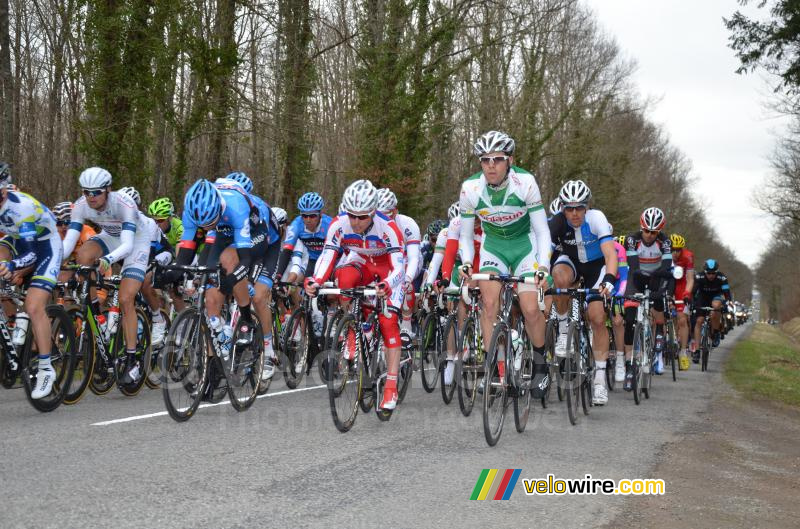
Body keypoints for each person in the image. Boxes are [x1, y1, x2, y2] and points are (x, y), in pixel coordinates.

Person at [458, 131, 552, 398]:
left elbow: (543, 232)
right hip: (494, 247)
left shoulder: (525, 183)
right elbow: (465, 235)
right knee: (489, 304)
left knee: (531, 308)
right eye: (485, 159)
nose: (490, 165)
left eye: (497, 159)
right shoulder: (470, 189)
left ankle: (540, 363)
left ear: (509, 160)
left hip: (525, 245)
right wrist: (466, 262)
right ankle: (493, 369)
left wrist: (543, 267)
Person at [304, 179, 406, 411]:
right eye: (352, 215)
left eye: (362, 217)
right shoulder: (339, 225)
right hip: (360, 261)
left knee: (388, 322)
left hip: (386, 268)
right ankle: (353, 330)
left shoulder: (388, 227)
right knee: (344, 277)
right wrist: (316, 280)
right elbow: (329, 255)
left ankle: (391, 385)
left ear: (373, 212)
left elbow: (399, 267)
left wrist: (388, 284)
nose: (356, 222)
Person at [63, 167, 153, 385]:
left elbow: (128, 244)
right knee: (83, 255)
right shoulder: (81, 205)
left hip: (135, 242)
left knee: (125, 299)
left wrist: (107, 260)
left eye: (96, 192)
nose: (91, 197)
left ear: (108, 190)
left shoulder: (124, 204)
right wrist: (57, 259)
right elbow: (68, 243)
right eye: (86, 192)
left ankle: (132, 360)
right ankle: (97, 314)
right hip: (111, 237)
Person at [548, 180, 618, 404]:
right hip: (572, 264)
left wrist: (609, 279)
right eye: (569, 208)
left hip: (596, 268)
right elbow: (544, 253)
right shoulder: (557, 223)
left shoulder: (597, 219)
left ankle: (599, 381)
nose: (575, 213)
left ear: (587, 207)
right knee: (557, 275)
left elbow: (610, 254)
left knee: (598, 318)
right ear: (562, 208)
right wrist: (537, 272)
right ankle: (563, 327)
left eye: (579, 207)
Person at [0, 165, 63, 399]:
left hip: (45, 245)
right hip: (16, 239)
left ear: (4, 191)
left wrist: (13, 266)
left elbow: (32, 255)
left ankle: (46, 367)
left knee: (34, 305)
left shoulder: (21, 208)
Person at [622, 207, 672, 389]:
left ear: (659, 231)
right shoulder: (632, 240)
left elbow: (667, 266)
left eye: (654, 232)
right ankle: (629, 367)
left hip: (656, 277)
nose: (649, 235)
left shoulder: (665, 242)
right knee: (629, 320)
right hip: (635, 278)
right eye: (646, 230)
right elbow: (633, 266)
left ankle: (657, 342)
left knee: (659, 309)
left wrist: (660, 289)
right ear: (641, 227)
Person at [376, 187, 421, 339]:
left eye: (384, 215)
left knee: (404, 281)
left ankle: (407, 323)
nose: (380, 219)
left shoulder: (408, 224)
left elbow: (414, 257)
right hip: (387, 259)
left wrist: (408, 278)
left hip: (408, 258)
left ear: (394, 211)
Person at [691, 259, 731, 360]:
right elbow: (693, 292)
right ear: (705, 272)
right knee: (699, 321)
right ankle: (696, 350)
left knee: (716, 308)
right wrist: (691, 303)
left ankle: (716, 332)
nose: (711, 275)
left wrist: (726, 303)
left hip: (716, 296)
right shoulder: (699, 277)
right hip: (702, 297)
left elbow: (727, 294)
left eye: (713, 273)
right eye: (709, 273)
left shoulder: (722, 278)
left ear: (717, 272)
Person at [669, 233, 694, 370]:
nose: (675, 253)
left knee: (682, 320)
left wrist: (686, 293)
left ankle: (683, 352)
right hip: (668, 284)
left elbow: (690, 279)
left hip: (681, 286)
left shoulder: (688, 256)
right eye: (673, 249)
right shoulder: (663, 253)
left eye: (678, 250)